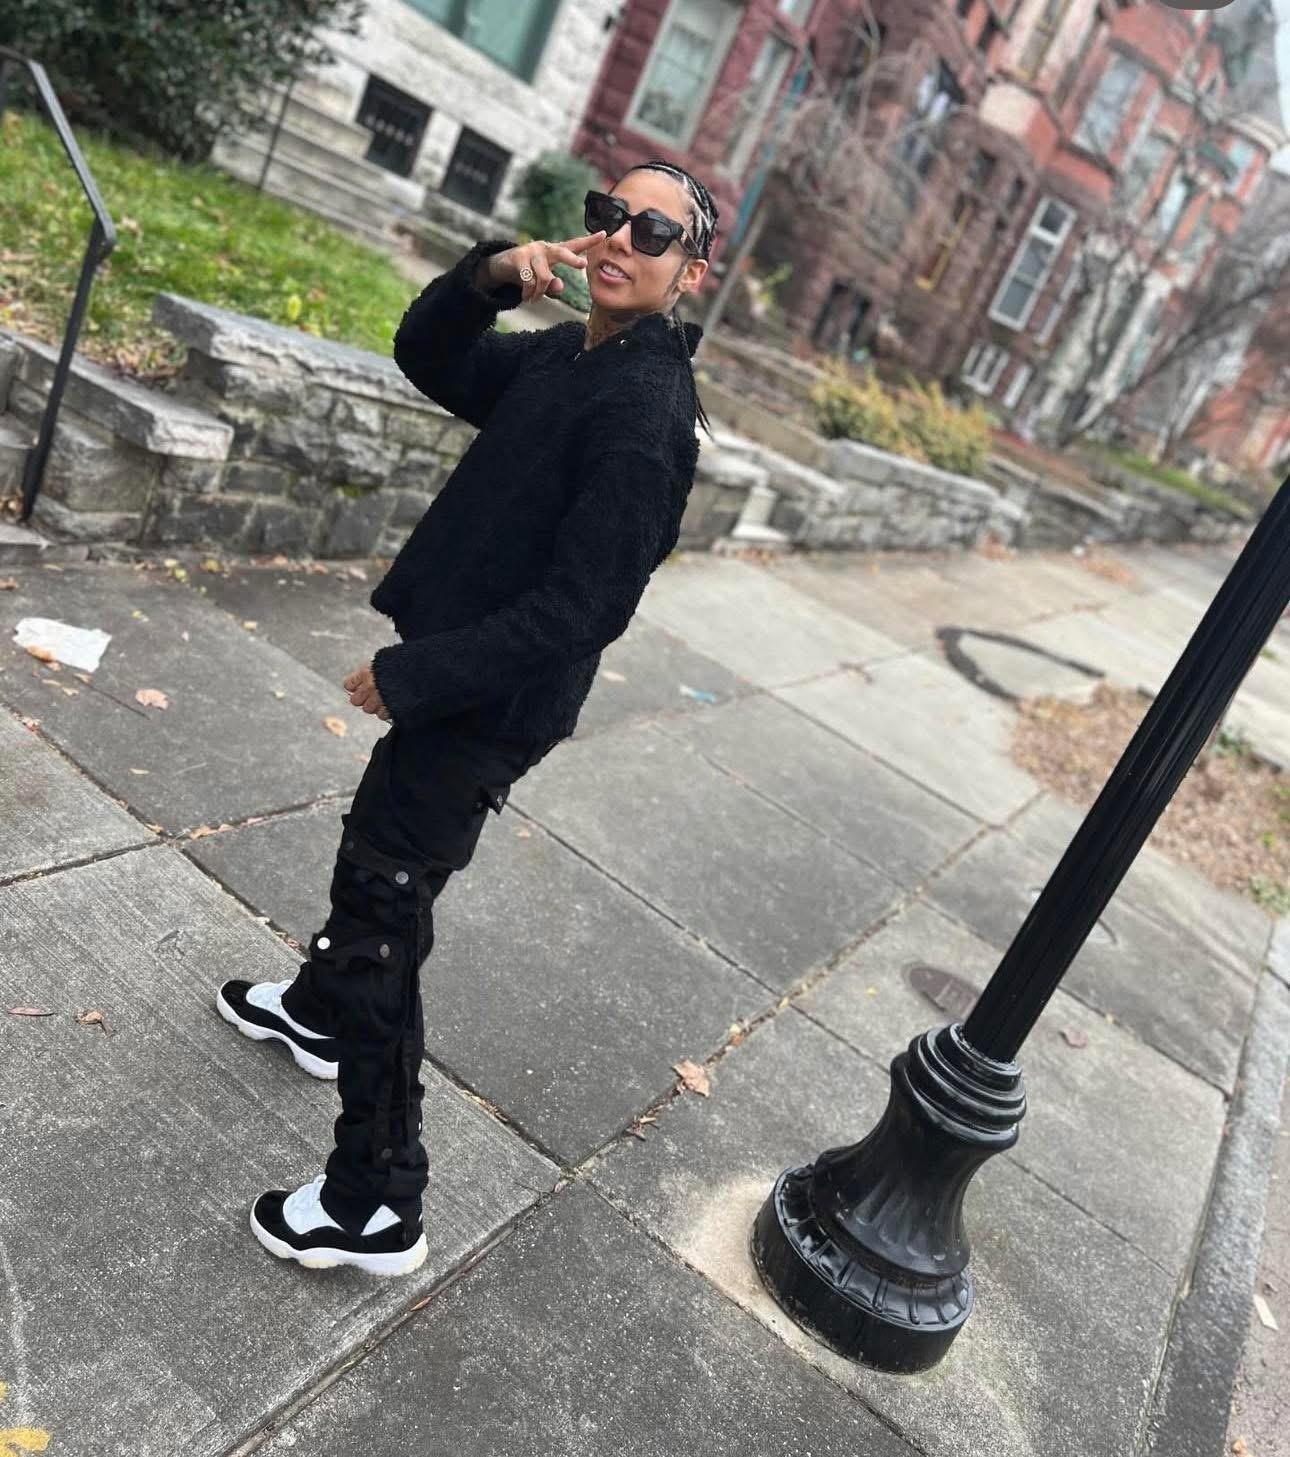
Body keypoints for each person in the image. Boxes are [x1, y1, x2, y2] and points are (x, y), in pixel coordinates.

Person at [215, 159, 720, 1275]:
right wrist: (492, 275)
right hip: (461, 679)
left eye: (652, 231)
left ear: (689, 271)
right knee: (378, 866)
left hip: (490, 702)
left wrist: (418, 675)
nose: (619, 238)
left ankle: (377, 1195)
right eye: (609, 215)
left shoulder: (644, 414)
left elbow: (583, 611)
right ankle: (316, 1010)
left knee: (382, 910)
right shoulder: (569, 355)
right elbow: (429, 354)